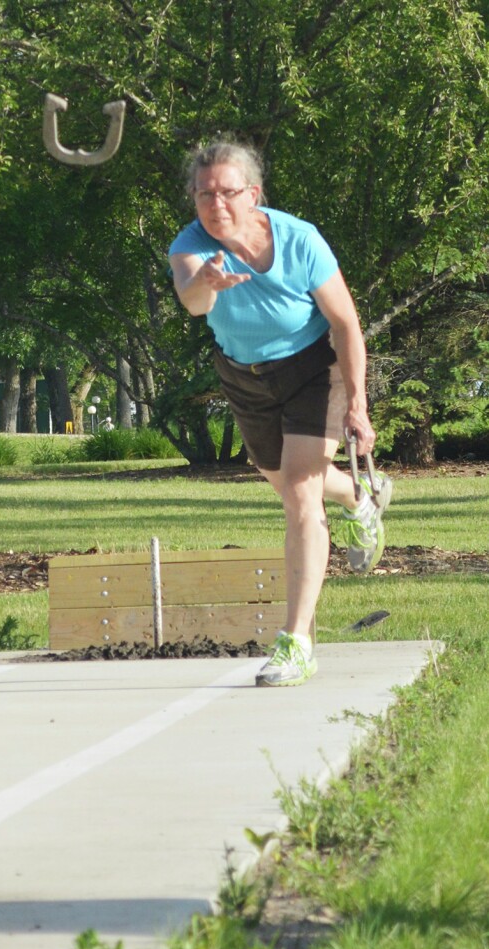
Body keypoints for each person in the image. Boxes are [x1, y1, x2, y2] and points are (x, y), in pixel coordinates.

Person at [168, 142, 392, 687]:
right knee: (286, 479)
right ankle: (361, 497)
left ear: (254, 193)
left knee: (297, 493)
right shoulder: (191, 246)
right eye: (204, 194)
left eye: (227, 191)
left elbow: (345, 324)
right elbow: (193, 301)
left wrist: (358, 401)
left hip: (315, 367)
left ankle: (297, 642)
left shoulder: (299, 239)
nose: (215, 203)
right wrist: (207, 283)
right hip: (244, 375)